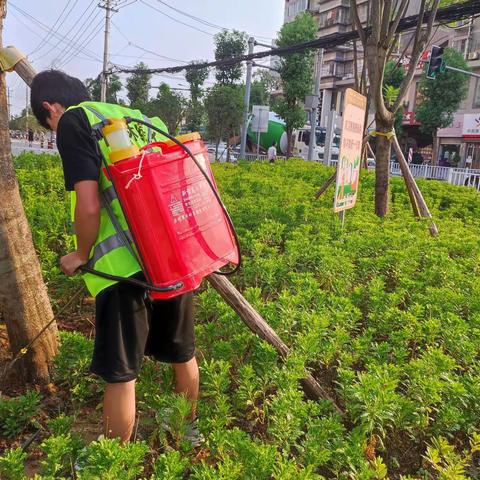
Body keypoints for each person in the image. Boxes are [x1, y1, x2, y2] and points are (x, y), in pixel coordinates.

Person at [31, 70, 202, 446]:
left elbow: (89, 205)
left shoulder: (75, 122)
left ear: (50, 108)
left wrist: (80, 254)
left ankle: (115, 462)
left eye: (48, 125)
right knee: (182, 352)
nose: (52, 132)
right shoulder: (131, 117)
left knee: (121, 373)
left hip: (123, 270)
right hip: (170, 257)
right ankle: (184, 435)